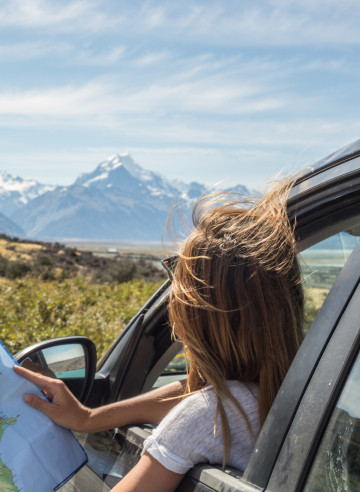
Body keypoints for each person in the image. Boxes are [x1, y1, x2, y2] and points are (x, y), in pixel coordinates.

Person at [14, 179, 304, 492]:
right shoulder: (291, 395)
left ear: (197, 315)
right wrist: (87, 418)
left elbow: (200, 406)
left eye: (176, 285)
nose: (171, 302)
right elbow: (190, 393)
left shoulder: (207, 417)